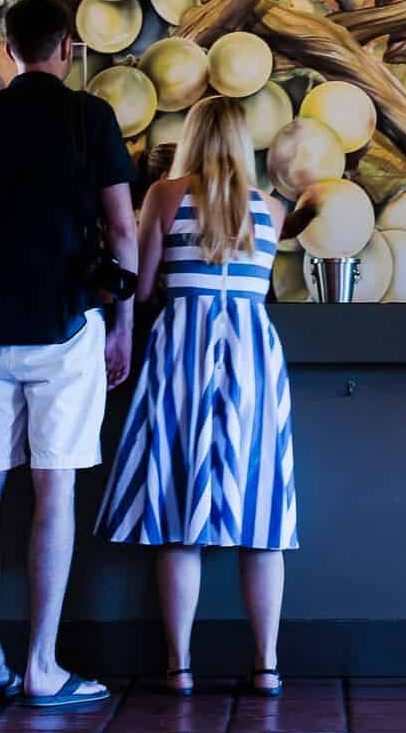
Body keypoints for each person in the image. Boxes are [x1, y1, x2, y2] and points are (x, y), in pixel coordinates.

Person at [0, 0, 138, 711]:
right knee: (55, 488)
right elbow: (122, 231)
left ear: (7, 49)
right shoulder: (91, 118)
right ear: (67, 48)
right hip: (65, 328)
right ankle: (43, 667)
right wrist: (123, 323)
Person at [97, 94, 298, 697]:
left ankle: (179, 667)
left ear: (191, 137)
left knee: (179, 515)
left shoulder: (164, 194)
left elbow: (145, 282)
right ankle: (267, 667)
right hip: (254, 354)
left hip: (184, 343)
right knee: (261, 516)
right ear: (243, 142)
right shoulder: (272, 208)